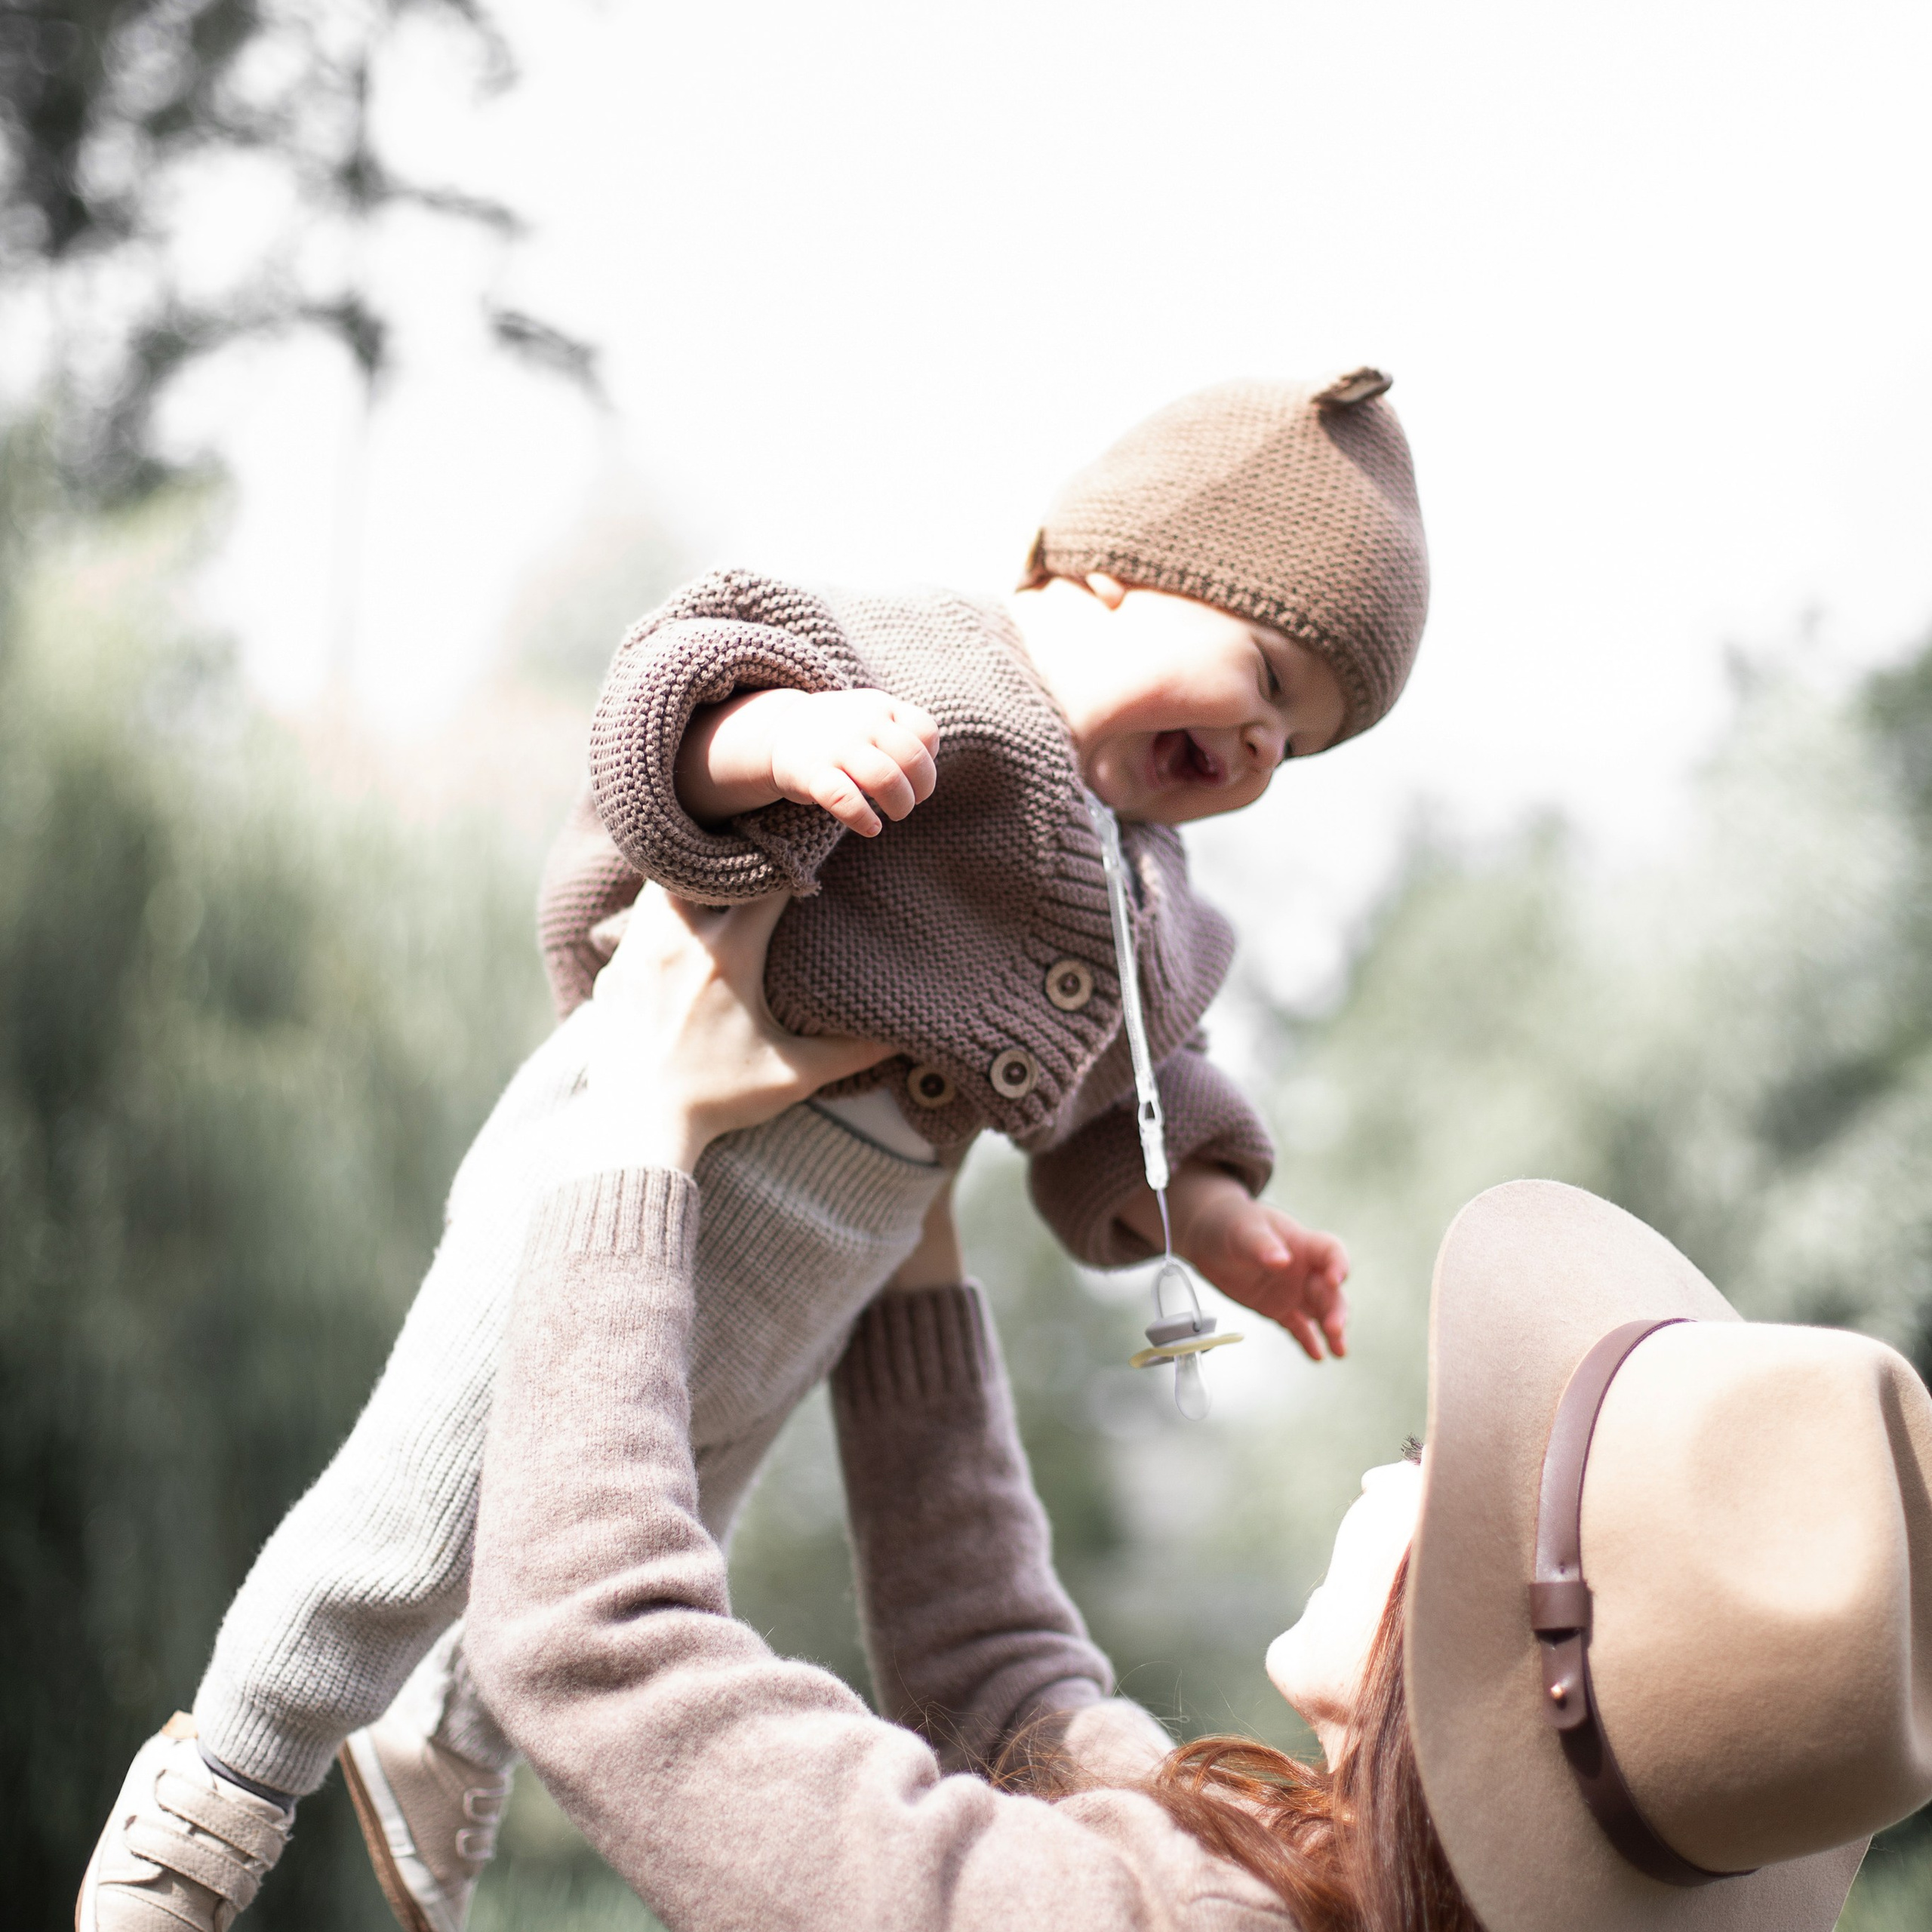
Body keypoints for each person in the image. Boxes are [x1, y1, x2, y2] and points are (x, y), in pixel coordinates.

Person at [78, 373, 1430, 1932]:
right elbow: (671, 689)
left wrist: (1214, 1211)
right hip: (617, 1174)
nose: (1258, 741)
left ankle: (439, 1742)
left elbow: (1140, 1087)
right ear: (1113, 566)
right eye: (1263, 674)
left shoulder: (1148, 903)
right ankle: (221, 1784)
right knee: (423, 1498)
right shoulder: (919, 669)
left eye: (1296, 743)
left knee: (654, 1514)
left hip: (824, 1265)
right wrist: (775, 737)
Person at [465, 890, 1932, 1932]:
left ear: (1494, 1645)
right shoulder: (1309, 1876)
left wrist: (636, 1129)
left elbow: (595, 1648)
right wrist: (911, 1217)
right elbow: (1006, 1695)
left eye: (1438, 1471)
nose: (1389, 1471)